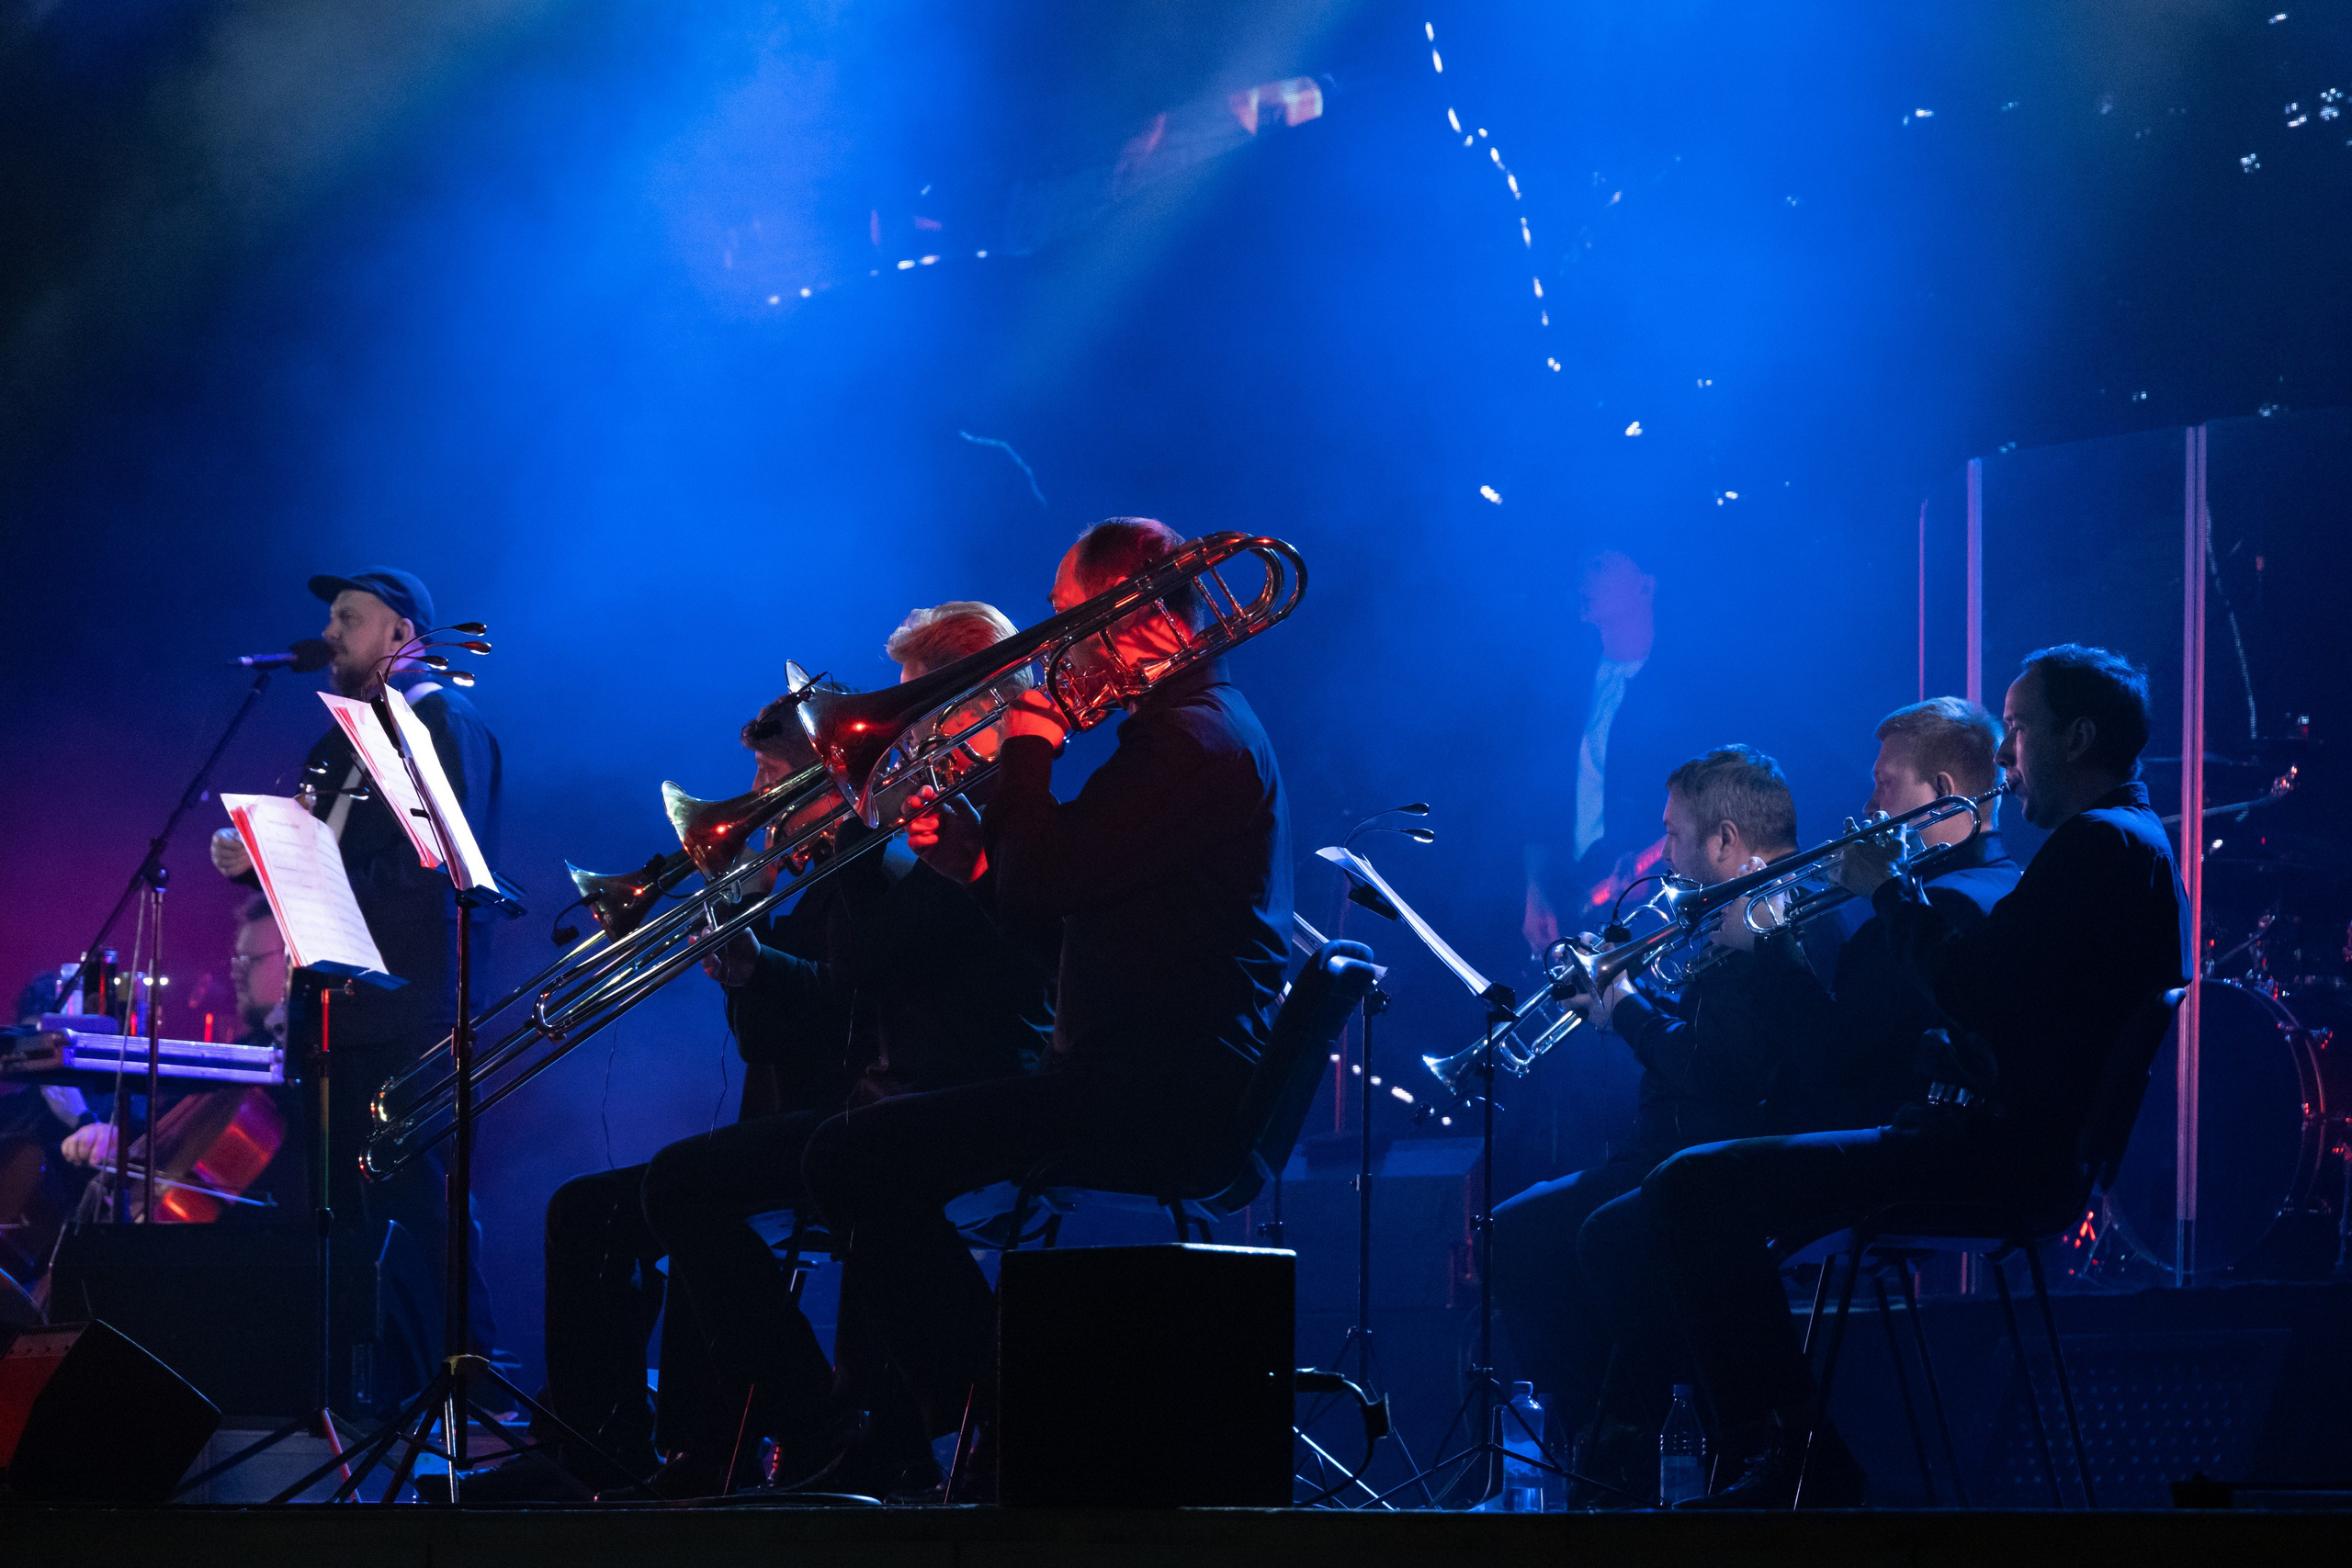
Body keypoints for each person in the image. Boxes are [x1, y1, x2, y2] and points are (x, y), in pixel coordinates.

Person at [472, 603, 1049, 1503]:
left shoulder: (967, 823)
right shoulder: (881, 843)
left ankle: (798, 1435)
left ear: (968, 701)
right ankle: (635, 1451)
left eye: (912, 704)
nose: (894, 734)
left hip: (932, 1107)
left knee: (686, 1188)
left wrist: (834, 869)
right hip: (867, 1107)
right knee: (623, 1201)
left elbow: (865, 986)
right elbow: (786, 1036)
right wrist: (747, 968)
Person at [797, 517, 1293, 1495]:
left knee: (851, 1158)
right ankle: (999, 1419)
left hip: (1158, 1086)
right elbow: (1065, 915)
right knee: (858, 1153)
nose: (1054, 643)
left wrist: (1025, 745)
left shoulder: (1193, 737)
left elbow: (1047, 886)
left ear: (1133, 611)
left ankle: (1015, 1420)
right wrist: (978, 858)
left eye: (1069, 616)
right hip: (1132, 1068)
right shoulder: (1174, 731)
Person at [1639, 646, 2188, 1507]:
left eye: (2018, 730)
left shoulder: (2099, 847)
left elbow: (1985, 1003)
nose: (2006, 758)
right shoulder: (2125, 844)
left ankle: (1790, 1452)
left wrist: (1891, 894)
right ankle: (1781, 1450)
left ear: (2077, 737)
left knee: (1692, 1186)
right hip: (1996, 1142)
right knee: (1697, 1185)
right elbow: (2016, 1012)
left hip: (1998, 1157)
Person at [1570, 698, 2020, 1500]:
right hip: (1857, 1126)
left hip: (1888, 1138)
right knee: (1653, 1208)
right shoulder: (1911, 899)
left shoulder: (1958, 901)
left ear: (1943, 789)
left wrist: (1772, 947)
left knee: (1678, 1200)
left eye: (1886, 786)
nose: (1868, 806)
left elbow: (1837, 1067)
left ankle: (1777, 1451)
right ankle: (1734, 1451)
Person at [1487, 744, 1818, 1500]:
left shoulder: (1776, 919)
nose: (1663, 853)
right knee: (1516, 1231)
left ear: (1726, 841)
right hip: (1663, 1155)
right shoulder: (1723, 920)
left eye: (1673, 836)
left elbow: (1721, 1076)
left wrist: (1628, 1007)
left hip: (1717, 1163)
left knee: (1603, 1234)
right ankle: (1610, 1439)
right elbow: (1706, 1047)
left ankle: (1665, 1440)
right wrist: (1629, 1003)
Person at [208, 566, 503, 1375]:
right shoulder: (338, 738)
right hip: (336, 1005)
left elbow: (433, 870)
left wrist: (304, 863)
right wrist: (257, 860)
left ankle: (464, 1376)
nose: (330, 631)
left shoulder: (439, 720)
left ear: (399, 634)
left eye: (348, 616)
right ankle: (368, 1380)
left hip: (404, 1003)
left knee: (410, 1191)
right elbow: (324, 851)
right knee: (337, 1202)